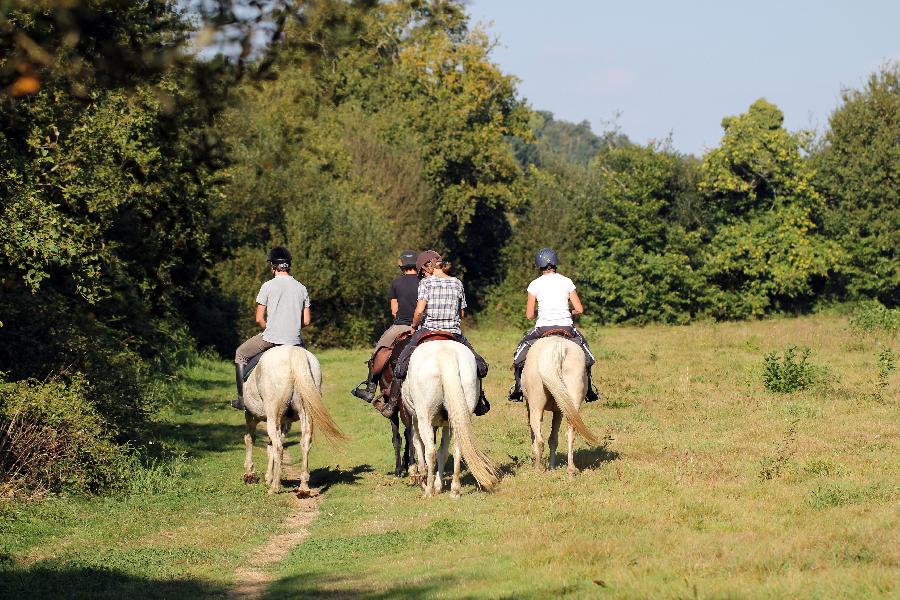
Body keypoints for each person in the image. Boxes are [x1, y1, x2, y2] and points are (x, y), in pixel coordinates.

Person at [385, 250, 491, 418]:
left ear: (427, 268)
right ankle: (478, 401)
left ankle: (391, 403)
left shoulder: (425, 283)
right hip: (454, 333)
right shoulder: (457, 283)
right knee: (478, 365)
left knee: (400, 365)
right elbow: (462, 314)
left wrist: (414, 325)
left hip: (429, 330)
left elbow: (419, 312)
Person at [508, 247, 599, 402]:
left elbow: (529, 315)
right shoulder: (567, 281)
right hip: (567, 328)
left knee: (519, 356)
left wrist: (539, 312)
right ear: (556, 263)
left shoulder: (534, 284)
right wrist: (570, 311)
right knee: (587, 356)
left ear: (539, 266)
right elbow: (580, 309)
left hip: (543, 329)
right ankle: (589, 389)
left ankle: (518, 389)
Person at [232, 246, 311, 410]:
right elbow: (307, 321)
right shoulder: (301, 288)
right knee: (309, 364)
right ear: (288, 266)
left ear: (273, 266)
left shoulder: (267, 286)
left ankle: (241, 400)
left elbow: (259, 319)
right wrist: (293, 325)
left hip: (270, 339)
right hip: (295, 341)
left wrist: (271, 327)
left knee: (240, 353)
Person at [350, 250, 419, 402]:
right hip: (422, 327)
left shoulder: (396, 283)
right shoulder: (425, 281)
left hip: (401, 326)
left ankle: (370, 388)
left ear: (402, 265)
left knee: (378, 351)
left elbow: (394, 311)